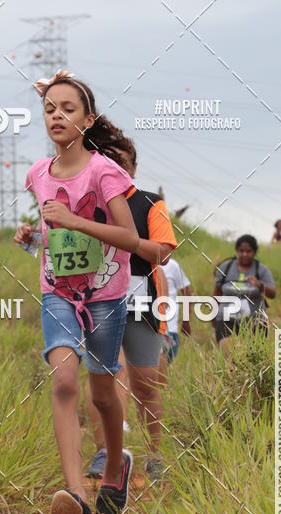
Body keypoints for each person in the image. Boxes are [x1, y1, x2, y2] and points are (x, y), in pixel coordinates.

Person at [15, 69, 139, 514]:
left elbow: (129, 238)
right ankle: (77, 499)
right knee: (65, 380)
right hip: (58, 294)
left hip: (105, 295)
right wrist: (31, 238)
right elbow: (55, 237)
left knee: (102, 395)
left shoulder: (105, 172)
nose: (56, 116)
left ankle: (115, 468)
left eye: (68, 109)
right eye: (50, 109)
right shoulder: (37, 174)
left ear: (87, 120)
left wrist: (75, 220)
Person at [85, 140, 178, 484]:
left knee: (147, 384)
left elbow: (163, 253)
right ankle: (105, 453)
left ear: (134, 168)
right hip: (99, 304)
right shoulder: (89, 203)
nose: (116, 168)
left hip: (141, 306)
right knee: (105, 378)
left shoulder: (151, 203)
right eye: (108, 162)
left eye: (122, 163)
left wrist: (129, 240)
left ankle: (154, 456)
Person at [212, 234, 276, 353]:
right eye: (241, 251)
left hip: (255, 321)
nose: (245, 254)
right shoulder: (226, 267)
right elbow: (217, 293)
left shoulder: (261, 270)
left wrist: (260, 285)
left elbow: (272, 294)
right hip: (226, 319)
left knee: (253, 356)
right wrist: (213, 316)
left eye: (248, 251)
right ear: (237, 251)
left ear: (255, 252)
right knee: (228, 354)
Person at [160, 256, 191, 366]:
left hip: (169, 328)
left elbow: (187, 292)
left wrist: (186, 321)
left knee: (163, 367)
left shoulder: (172, 265)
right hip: (146, 328)